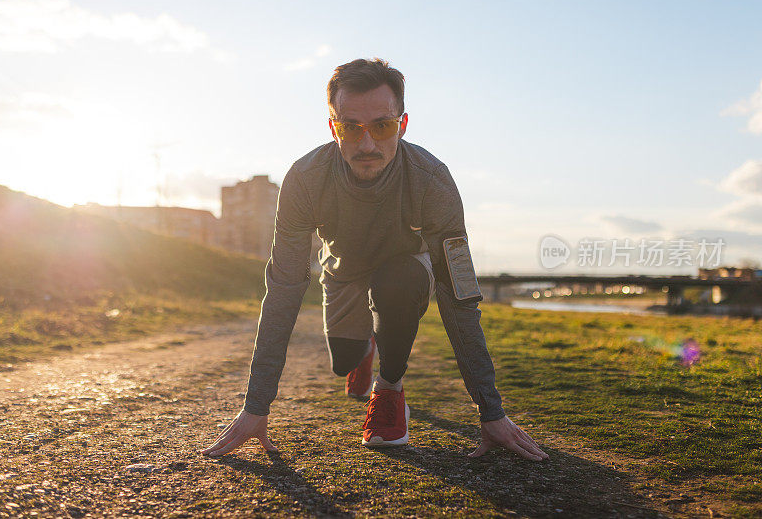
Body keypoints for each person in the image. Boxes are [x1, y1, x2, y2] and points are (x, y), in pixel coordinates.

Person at [201, 58, 548, 461]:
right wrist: (256, 407)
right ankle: (366, 347)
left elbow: (459, 292)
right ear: (333, 128)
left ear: (402, 125)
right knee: (343, 363)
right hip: (343, 272)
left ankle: (389, 388)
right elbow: (283, 289)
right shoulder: (305, 179)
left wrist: (491, 412)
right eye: (351, 128)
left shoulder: (431, 179)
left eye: (382, 127)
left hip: (404, 267)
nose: (367, 145)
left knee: (398, 280)